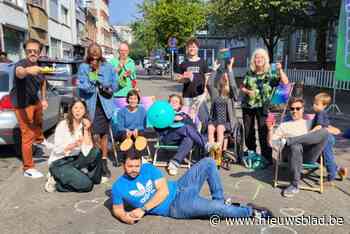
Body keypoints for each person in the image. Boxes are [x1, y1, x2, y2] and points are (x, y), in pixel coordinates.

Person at [111, 147, 272, 224]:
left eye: (136, 166)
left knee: (209, 162)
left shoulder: (147, 168)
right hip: (177, 206)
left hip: (180, 186)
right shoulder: (118, 187)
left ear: (141, 163)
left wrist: (142, 209)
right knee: (219, 209)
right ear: (122, 165)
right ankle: (250, 212)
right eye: (130, 166)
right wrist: (125, 217)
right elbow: (117, 209)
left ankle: (219, 200)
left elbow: (163, 190)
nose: (134, 170)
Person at [267, 97, 338, 197]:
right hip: (291, 154)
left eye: (298, 108)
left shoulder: (310, 122)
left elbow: (332, 132)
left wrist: (329, 129)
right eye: (292, 109)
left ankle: (288, 141)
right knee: (295, 146)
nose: (295, 111)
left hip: (308, 155)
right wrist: (270, 129)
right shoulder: (284, 125)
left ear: (303, 109)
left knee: (325, 132)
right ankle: (294, 185)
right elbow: (272, 143)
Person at [10, 38, 50, 178]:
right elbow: (19, 72)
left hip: (34, 100)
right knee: (27, 135)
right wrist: (27, 71)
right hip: (21, 104)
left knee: (39, 119)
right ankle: (28, 168)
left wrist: (44, 99)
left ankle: (39, 139)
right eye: (29, 51)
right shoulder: (21, 64)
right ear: (25, 52)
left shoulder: (39, 66)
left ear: (39, 52)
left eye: (35, 51)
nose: (32, 53)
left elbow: (43, 82)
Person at [241, 48, 288, 165]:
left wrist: (280, 69)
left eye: (261, 57)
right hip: (248, 105)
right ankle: (251, 152)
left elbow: (285, 82)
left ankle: (266, 155)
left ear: (265, 60)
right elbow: (242, 86)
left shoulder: (270, 74)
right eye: (257, 57)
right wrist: (247, 91)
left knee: (264, 130)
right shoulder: (249, 72)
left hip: (264, 106)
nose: (259, 59)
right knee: (248, 130)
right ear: (253, 60)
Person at [78, 43, 118, 180]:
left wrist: (104, 84)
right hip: (91, 105)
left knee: (104, 135)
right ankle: (96, 161)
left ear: (101, 53)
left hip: (105, 105)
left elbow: (114, 85)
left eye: (97, 52)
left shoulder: (108, 67)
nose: (95, 55)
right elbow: (83, 87)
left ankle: (104, 161)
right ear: (88, 54)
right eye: (92, 52)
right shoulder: (83, 67)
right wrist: (93, 74)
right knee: (93, 135)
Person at [45, 98, 103, 192]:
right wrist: (73, 145)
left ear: (85, 111)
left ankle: (90, 177)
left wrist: (87, 129)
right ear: (71, 110)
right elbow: (57, 149)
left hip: (75, 160)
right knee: (87, 185)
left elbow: (88, 151)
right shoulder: (63, 125)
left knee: (96, 151)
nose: (78, 111)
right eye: (75, 108)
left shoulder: (83, 125)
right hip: (59, 162)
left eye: (81, 108)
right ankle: (56, 182)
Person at [154, 94, 213, 176]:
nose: (174, 103)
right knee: (185, 128)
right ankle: (205, 144)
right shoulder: (163, 113)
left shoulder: (184, 115)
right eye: (172, 101)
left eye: (176, 102)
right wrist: (170, 120)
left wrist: (184, 119)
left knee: (189, 138)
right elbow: (157, 128)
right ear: (168, 104)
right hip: (168, 139)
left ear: (180, 105)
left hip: (181, 141)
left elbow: (193, 130)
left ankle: (174, 163)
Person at [310, 92, 347, 185]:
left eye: (317, 104)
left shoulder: (320, 113)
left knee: (327, 157)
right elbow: (326, 125)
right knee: (323, 156)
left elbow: (319, 127)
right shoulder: (321, 113)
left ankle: (331, 176)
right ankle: (338, 169)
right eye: (313, 103)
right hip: (327, 137)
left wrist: (309, 133)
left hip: (325, 138)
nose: (314, 105)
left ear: (324, 106)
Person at [207, 58, 239, 160]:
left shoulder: (231, 94)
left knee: (220, 128)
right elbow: (209, 84)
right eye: (223, 76)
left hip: (226, 122)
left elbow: (233, 86)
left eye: (227, 77)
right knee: (210, 128)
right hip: (215, 120)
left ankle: (218, 153)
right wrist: (214, 69)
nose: (225, 77)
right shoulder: (215, 93)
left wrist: (229, 70)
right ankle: (212, 151)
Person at [176, 38, 210, 131]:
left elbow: (207, 77)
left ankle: (198, 136)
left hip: (200, 94)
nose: (192, 49)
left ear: (197, 48)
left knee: (200, 117)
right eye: (190, 47)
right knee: (188, 117)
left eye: (194, 47)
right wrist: (184, 79)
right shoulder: (184, 63)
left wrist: (206, 89)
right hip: (187, 95)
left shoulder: (203, 62)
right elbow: (178, 79)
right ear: (187, 48)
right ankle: (190, 136)